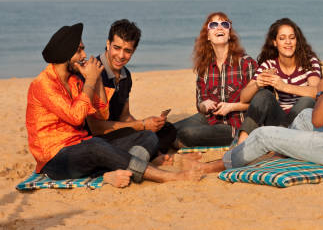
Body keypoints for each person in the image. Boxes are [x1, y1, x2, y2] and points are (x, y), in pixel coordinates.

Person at [198, 17, 323, 173]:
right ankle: (284, 152)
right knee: (303, 117)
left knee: (262, 135)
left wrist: (322, 90)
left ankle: (212, 166)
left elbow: (320, 121)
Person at [26, 23, 204, 187]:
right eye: (79, 51)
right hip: (55, 159)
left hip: (82, 146)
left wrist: (97, 81)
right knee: (96, 146)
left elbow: (101, 113)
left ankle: (125, 170)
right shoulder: (43, 84)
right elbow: (77, 116)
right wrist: (91, 79)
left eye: (83, 49)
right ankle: (165, 176)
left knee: (148, 137)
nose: (84, 55)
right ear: (66, 54)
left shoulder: (74, 81)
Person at [86, 19, 177, 154]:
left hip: (117, 132)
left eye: (127, 51)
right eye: (117, 48)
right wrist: (142, 125)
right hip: (96, 138)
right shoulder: (94, 71)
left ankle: (149, 152)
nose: (121, 56)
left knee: (167, 130)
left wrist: (149, 124)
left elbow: (124, 116)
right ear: (108, 43)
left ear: (133, 51)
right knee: (149, 137)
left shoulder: (126, 75)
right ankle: (149, 154)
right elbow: (95, 127)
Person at [173, 12, 258, 147]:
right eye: (213, 25)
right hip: (209, 119)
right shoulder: (204, 67)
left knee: (188, 134)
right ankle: (172, 143)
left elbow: (260, 104)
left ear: (229, 34)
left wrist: (231, 107)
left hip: (234, 126)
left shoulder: (246, 63)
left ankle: (177, 143)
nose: (219, 28)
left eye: (224, 24)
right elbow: (200, 105)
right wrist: (204, 104)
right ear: (207, 35)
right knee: (168, 129)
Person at [236, 18, 322, 144]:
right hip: (278, 120)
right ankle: (241, 144)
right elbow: (243, 98)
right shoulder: (269, 64)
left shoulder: (309, 61)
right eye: (282, 38)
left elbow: (317, 92)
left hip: (301, 123)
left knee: (307, 101)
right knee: (263, 95)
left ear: (297, 41)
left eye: (292, 38)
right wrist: (257, 84)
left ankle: (282, 137)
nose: (288, 42)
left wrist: (284, 86)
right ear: (275, 42)